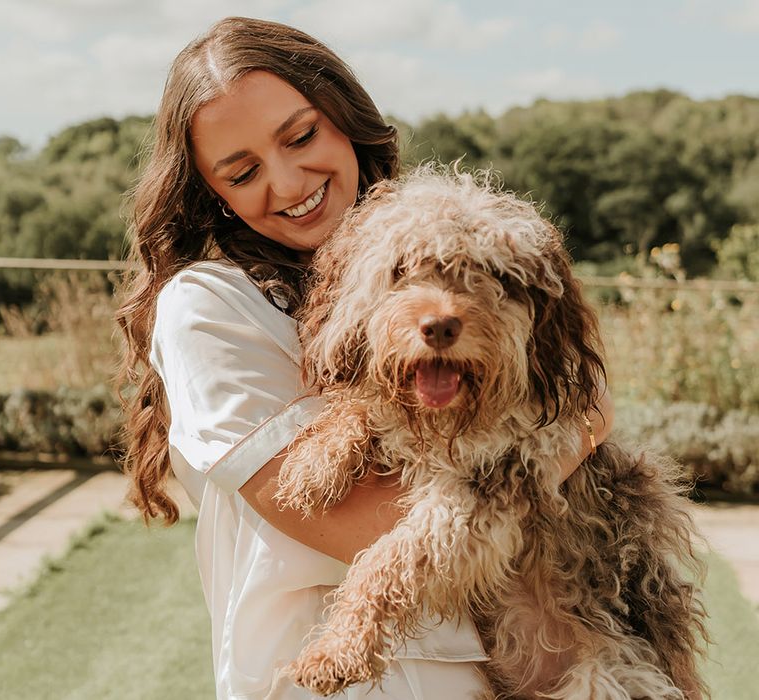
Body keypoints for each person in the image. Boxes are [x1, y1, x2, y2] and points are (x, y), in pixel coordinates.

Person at [117, 16, 614, 700]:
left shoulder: (425, 255)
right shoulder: (208, 307)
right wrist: (578, 433)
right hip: (346, 682)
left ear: (345, 117)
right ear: (213, 195)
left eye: (301, 136)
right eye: (243, 172)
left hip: (497, 672)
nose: (290, 182)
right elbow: (359, 524)